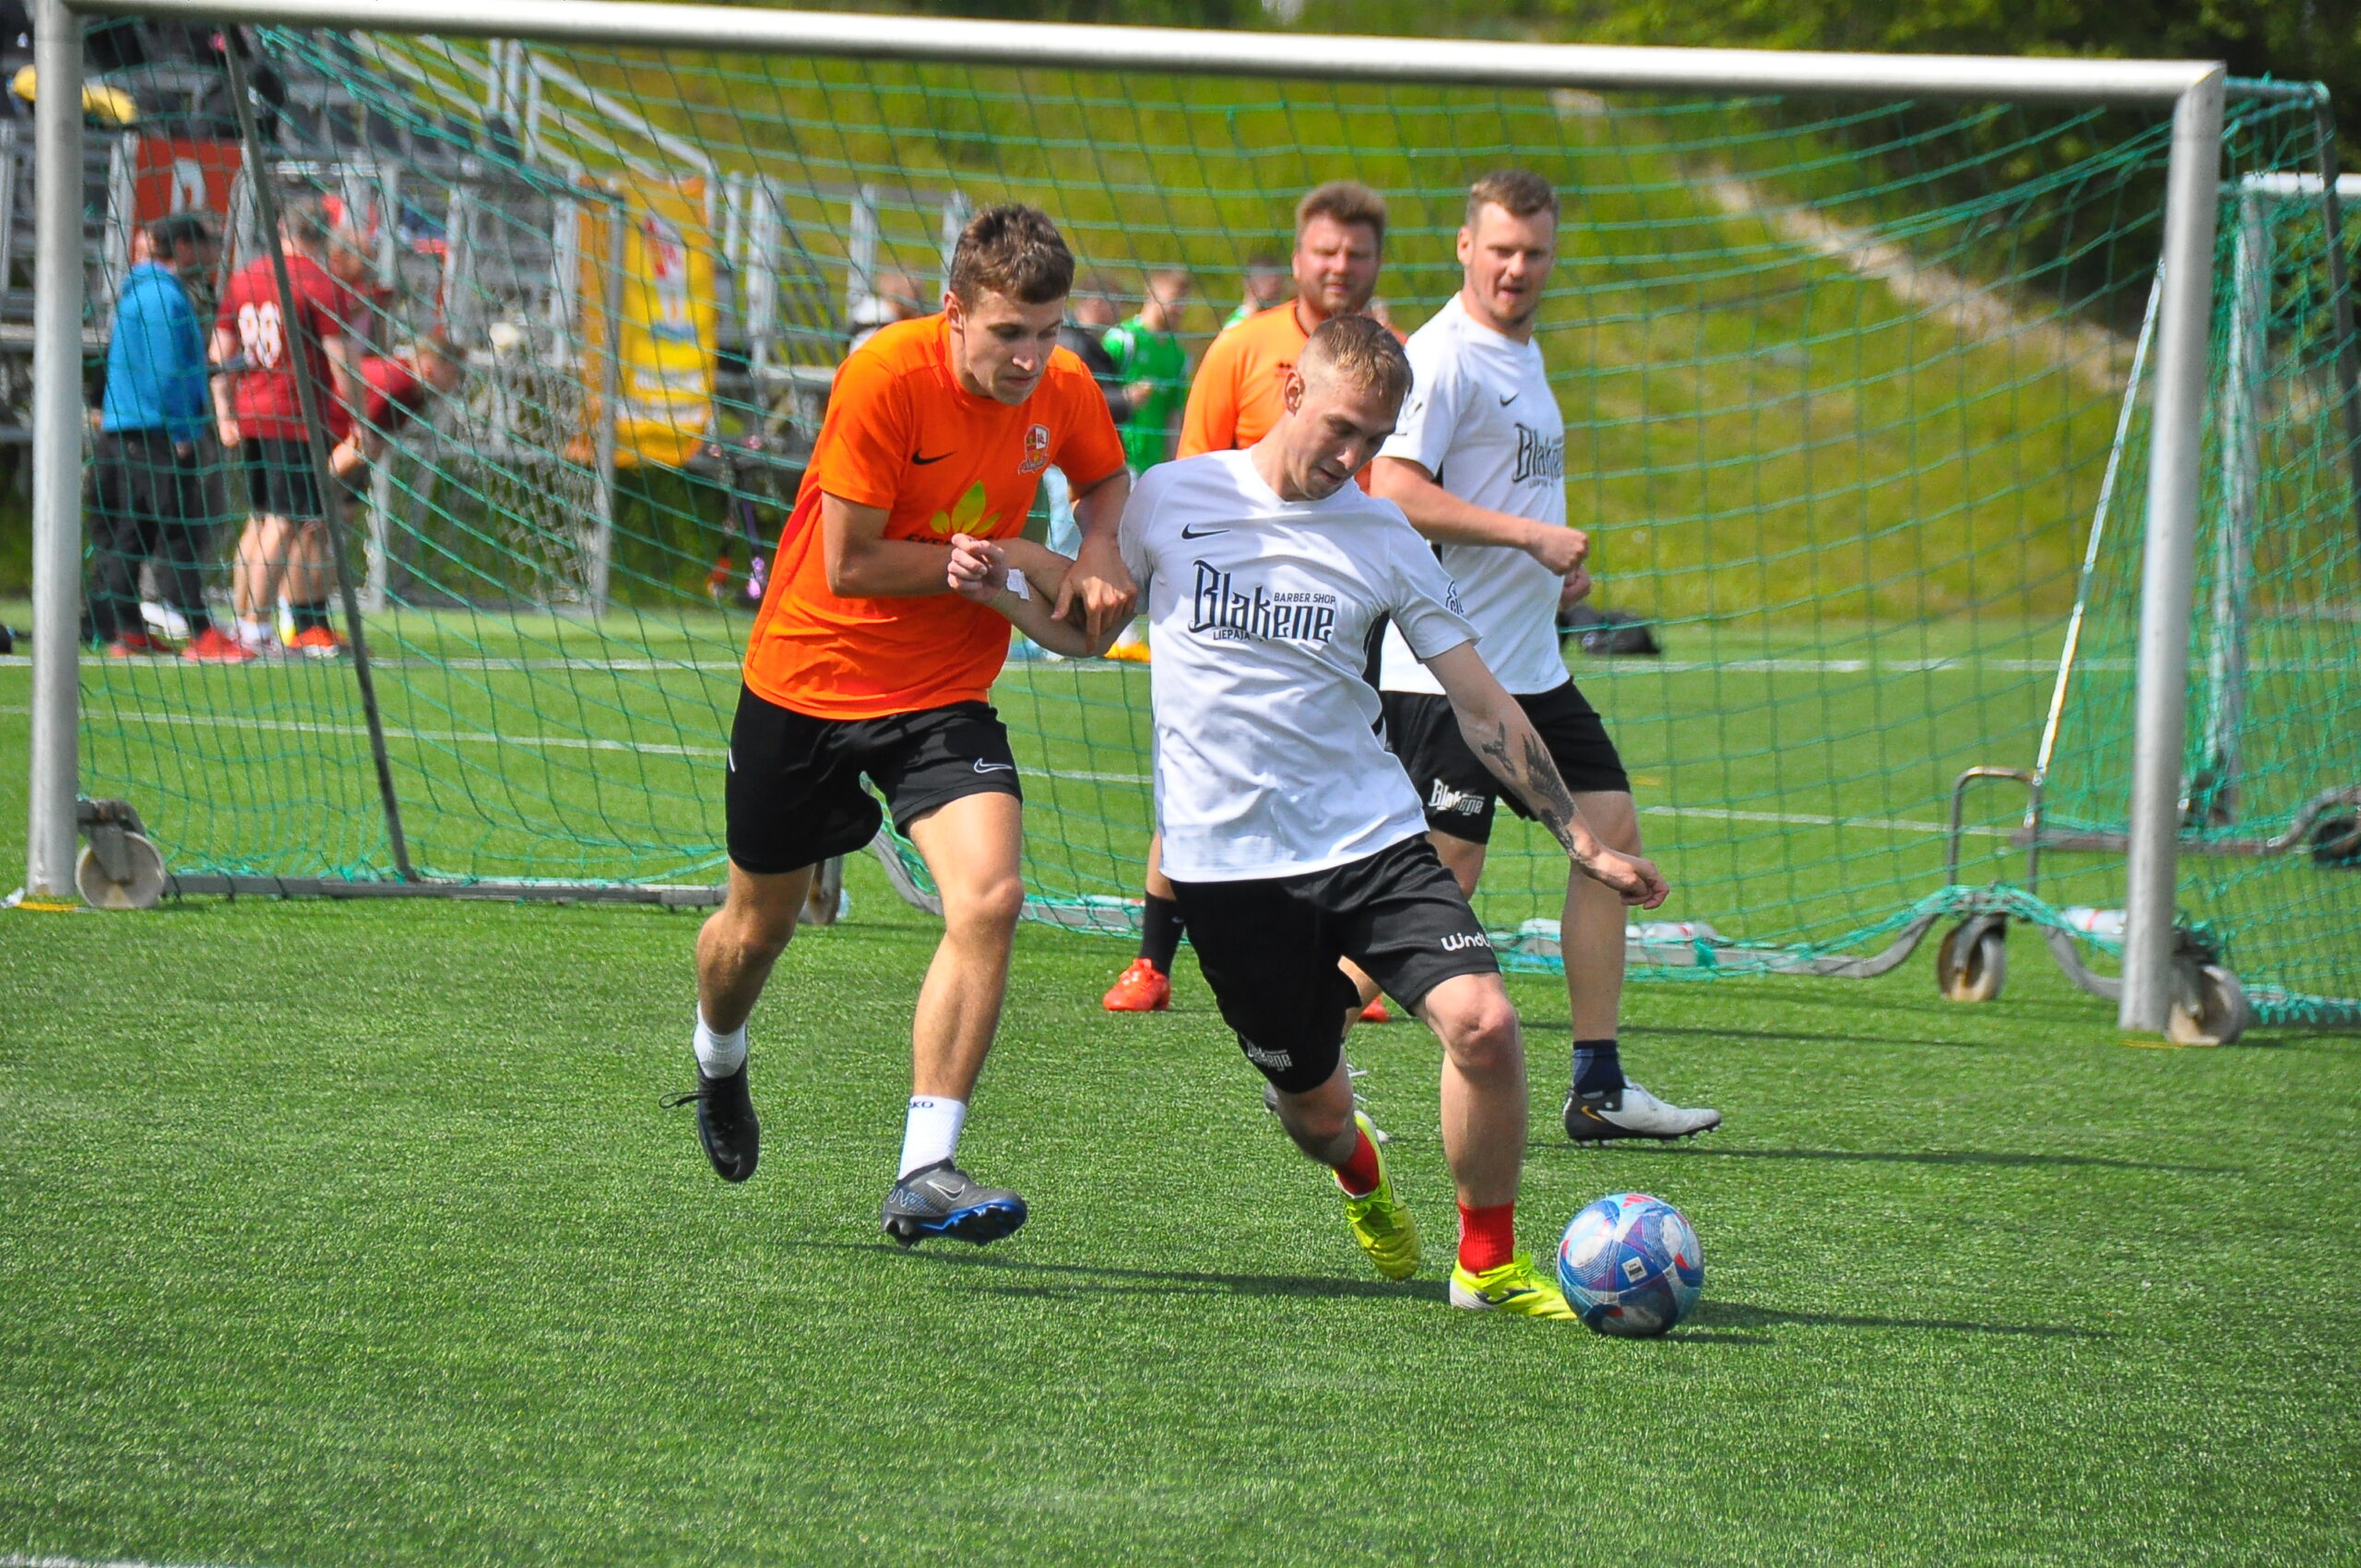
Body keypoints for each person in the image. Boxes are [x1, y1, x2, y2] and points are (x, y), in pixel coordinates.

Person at [948, 315, 1669, 1315]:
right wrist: (1004, 588)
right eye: (1340, 428)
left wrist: (1580, 840)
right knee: (1317, 1115)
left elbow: (1480, 700)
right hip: (1226, 873)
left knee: (1485, 1023)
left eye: (1373, 439)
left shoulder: (1384, 534)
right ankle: (1360, 1170)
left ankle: (1487, 1265)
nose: (1351, 456)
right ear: (1292, 392)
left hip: (1372, 840)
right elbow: (1084, 631)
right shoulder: (1172, 498)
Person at [674, 205, 1135, 1248]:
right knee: (756, 932)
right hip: (809, 682)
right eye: (1008, 333)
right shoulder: (884, 375)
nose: (1030, 358)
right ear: (953, 312)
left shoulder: (1062, 386)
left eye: (1047, 332)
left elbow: (1104, 476)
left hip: (940, 691)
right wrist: (995, 561)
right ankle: (718, 1058)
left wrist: (1102, 545)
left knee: (991, 897)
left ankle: (924, 1168)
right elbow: (851, 564)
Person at [1369, 171, 1718, 1145]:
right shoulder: (1441, 356)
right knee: (1442, 874)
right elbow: (1393, 488)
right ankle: (1309, 1056)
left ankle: (1598, 1085)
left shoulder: (1522, 351)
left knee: (1610, 832)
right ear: (1464, 247)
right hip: (1447, 673)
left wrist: (1546, 567)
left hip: (1532, 666)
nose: (1517, 267)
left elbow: (1495, 497)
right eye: (1501, 249)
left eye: (1534, 252)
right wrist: (1528, 537)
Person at [1106, 180, 1394, 1016]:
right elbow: (1195, 464)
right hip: (1237, 596)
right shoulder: (1242, 347)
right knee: (1201, 764)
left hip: (1349, 603)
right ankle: (1153, 961)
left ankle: (1349, 967)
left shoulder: (1398, 359)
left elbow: (1407, 482)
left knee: (1347, 768)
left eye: (1357, 254)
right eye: (1325, 251)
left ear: (1378, 263)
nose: (1340, 267)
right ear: (1298, 257)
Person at [89, 213, 248, 662]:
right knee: (176, 531)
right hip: (153, 433)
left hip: (123, 433)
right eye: (207, 243)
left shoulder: (138, 292)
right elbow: (166, 373)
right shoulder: (164, 297)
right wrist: (182, 432)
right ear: (183, 246)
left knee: (131, 533)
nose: (213, 253)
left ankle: (127, 630)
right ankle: (201, 632)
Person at [211, 196, 358, 657]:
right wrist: (357, 418)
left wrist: (225, 413)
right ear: (324, 234)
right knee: (285, 523)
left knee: (258, 522)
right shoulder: (318, 283)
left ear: (281, 227)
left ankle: (244, 623)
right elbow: (341, 363)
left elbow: (219, 354)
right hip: (294, 417)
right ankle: (256, 629)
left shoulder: (245, 277)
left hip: (252, 412)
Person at [327, 331, 463, 485]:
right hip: (323, 422)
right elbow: (358, 442)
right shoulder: (400, 389)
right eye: (452, 374)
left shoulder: (409, 384)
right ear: (429, 369)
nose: (455, 384)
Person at [1102, 267, 1192, 472]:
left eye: (1184, 302)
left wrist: (1173, 467)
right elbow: (1096, 395)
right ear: (1151, 294)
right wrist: (1128, 397)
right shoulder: (1122, 339)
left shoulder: (1178, 356)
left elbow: (1173, 414)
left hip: (1152, 468)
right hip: (1117, 462)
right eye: (1175, 301)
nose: (1180, 309)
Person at [1220, 253, 1287, 334]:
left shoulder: (1285, 321)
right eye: (1264, 279)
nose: (1274, 285)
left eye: (1278, 281)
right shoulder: (1236, 326)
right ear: (1249, 284)